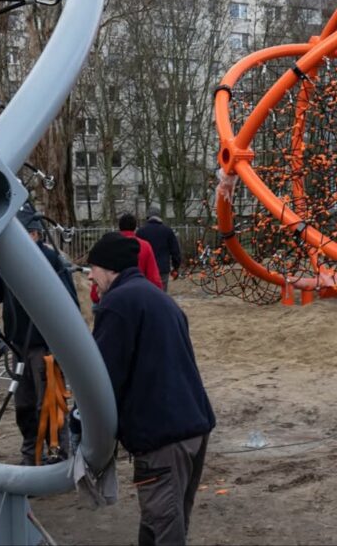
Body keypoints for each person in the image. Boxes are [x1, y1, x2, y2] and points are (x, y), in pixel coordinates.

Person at [86, 231, 215, 545]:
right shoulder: (158, 298)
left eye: (93, 268)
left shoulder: (117, 304)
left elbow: (100, 377)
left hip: (163, 437)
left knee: (166, 528)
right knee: (163, 520)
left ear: (110, 268)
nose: (90, 275)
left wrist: (86, 426)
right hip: (193, 426)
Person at [0, 201, 77, 465]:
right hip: (19, 347)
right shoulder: (10, 264)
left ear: (34, 234)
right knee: (25, 406)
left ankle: (59, 456)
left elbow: (69, 303)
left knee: (49, 404)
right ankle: (32, 456)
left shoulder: (48, 261)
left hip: (44, 347)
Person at [89, 213, 162, 304]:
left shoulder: (109, 245)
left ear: (119, 227)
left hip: (112, 297)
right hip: (139, 296)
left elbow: (100, 271)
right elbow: (153, 275)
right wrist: (157, 294)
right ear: (135, 228)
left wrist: (95, 295)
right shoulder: (145, 246)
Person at [136, 206, 182, 291]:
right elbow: (175, 251)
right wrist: (176, 267)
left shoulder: (140, 232)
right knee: (161, 293)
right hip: (162, 268)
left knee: (146, 293)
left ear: (148, 217)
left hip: (145, 269)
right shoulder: (167, 231)